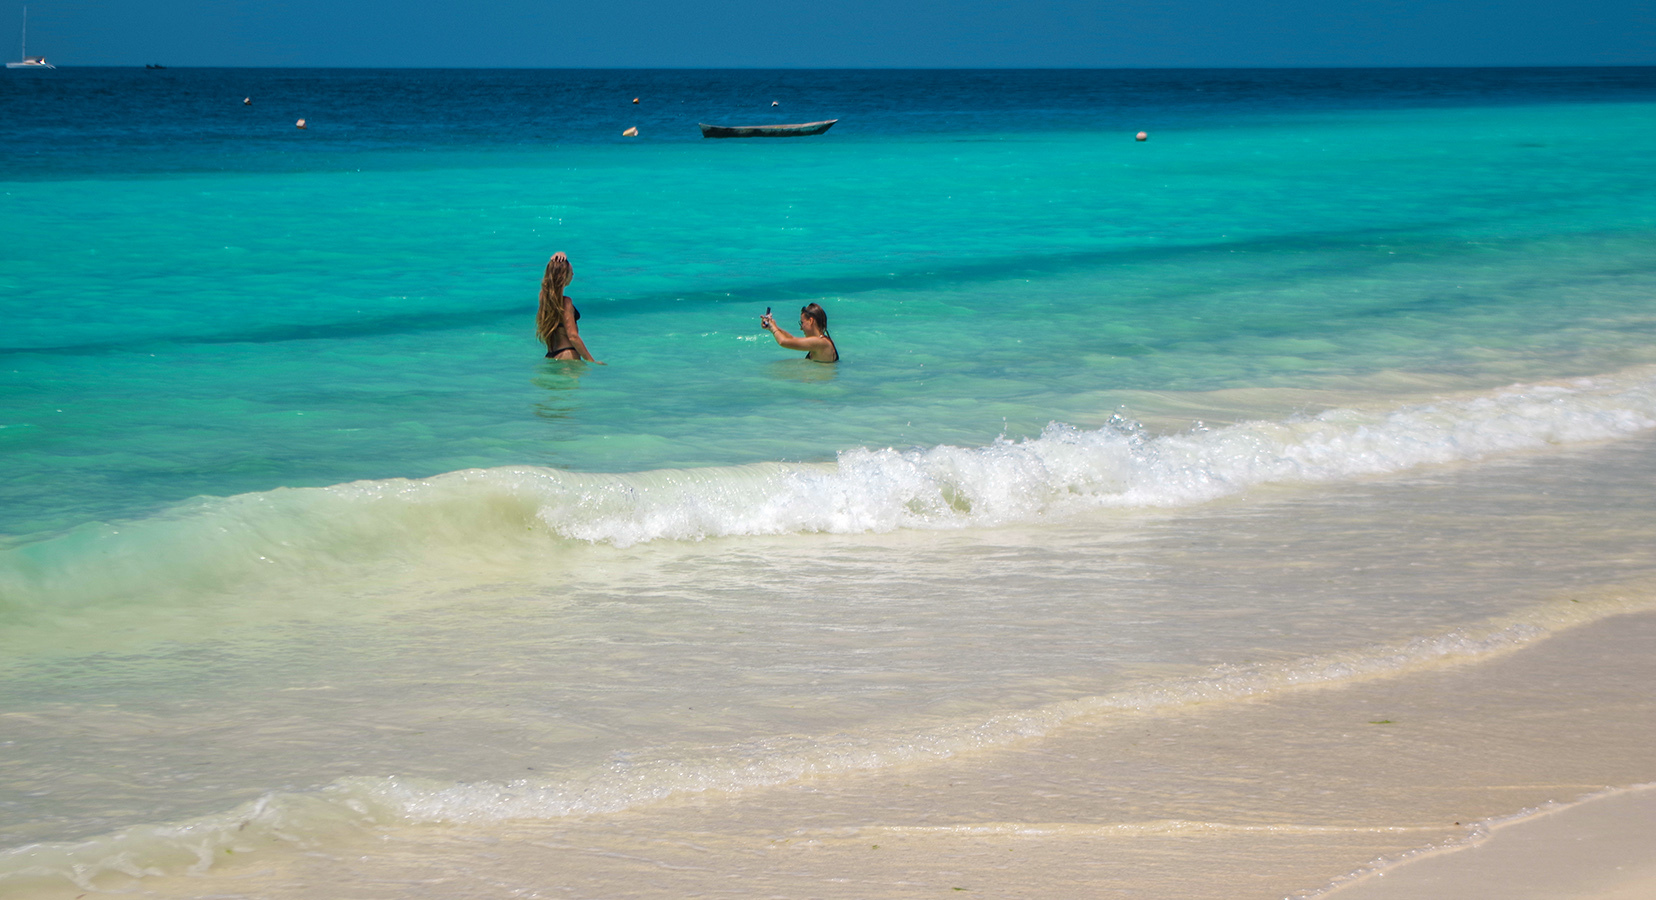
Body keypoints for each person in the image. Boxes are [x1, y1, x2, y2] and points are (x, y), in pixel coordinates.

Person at [535, 252, 601, 363]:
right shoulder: (566, 302)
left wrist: (557, 257)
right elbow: (573, 336)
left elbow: (548, 283)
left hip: (551, 355)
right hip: (568, 355)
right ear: (563, 276)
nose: (573, 274)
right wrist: (592, 361)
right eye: (571, 272)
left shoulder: (543, 297)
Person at [761, 302, 839, 362]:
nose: (801, 328)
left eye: (802, 323)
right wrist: (773, 327)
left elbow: (783, 342)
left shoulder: (820, 342)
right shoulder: (822, 341)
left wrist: (773, 327)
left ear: (811, 321)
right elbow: (792, 338)